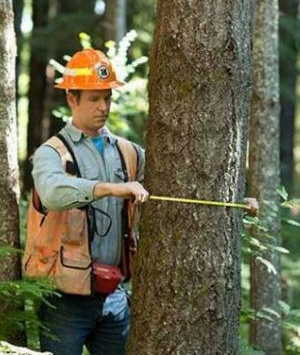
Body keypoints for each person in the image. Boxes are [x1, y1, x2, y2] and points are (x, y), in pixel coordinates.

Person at [25, 49, 259, 355]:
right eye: (94, 98)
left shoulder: (129, 152)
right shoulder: (51, 153)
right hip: (63, 298)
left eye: (107, 98)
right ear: (72, 98)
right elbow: (53, 192)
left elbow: (178, 190)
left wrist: (233, 201)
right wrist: (109, 189)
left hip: (114, 296)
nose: (103, 107)